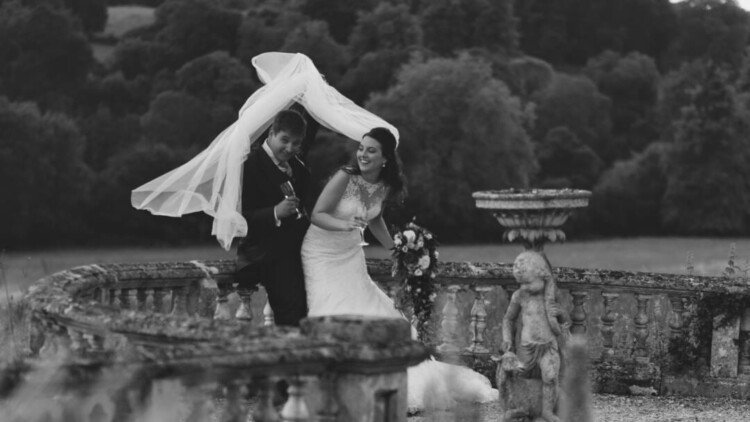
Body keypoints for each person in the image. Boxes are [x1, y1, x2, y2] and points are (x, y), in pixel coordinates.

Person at [301, 127, 497, 411]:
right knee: (333, 310)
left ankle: (393, 385)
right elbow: (317, 214)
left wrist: (399, 249)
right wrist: (345, 226)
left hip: (351, 255)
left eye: (371, 150)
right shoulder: (346, 176)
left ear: (385, 159)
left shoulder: (385, 185)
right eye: (361, 148)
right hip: (321, 253)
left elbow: (375, 218)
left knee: (380, 316)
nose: (363, 154)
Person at [235, 109, 311, 326]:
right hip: (265, 252)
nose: (290, 149)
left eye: (296, 143)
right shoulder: (248, 165)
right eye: (285, 140)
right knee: (292, 317)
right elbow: (238, 218)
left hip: (299, 251)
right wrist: (275, 212)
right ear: (271, 133)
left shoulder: (299, 168)